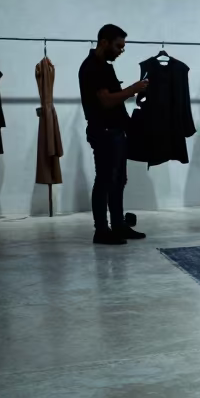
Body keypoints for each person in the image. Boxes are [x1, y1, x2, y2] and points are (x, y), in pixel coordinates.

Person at [78, 24, 149, 245]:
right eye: (119, 46)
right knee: (105, 181)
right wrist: (134, 89)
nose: (122, 50)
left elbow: (111, 97)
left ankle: (117, 225)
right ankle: (101, 230)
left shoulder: (103, 67)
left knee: (117, 180)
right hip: (104, 131)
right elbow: (106, 100)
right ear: (104, 42)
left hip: (114, 131)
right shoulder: (93, 67)